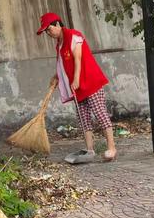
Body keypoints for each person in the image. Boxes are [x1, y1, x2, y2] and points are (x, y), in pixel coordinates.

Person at [36, 12, 117, 160]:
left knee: (100, 113)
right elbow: (64, 64)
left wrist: (76, 78)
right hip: (77, 86)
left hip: (89, 81)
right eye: (46, 31)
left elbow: (77, 58)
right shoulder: (59, 44)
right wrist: (57, 76)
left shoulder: (73, 35)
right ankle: (90, 150)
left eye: (49, 29)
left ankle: (111, 148)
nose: (48, 33)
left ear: (58, 24)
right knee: (83, 117)